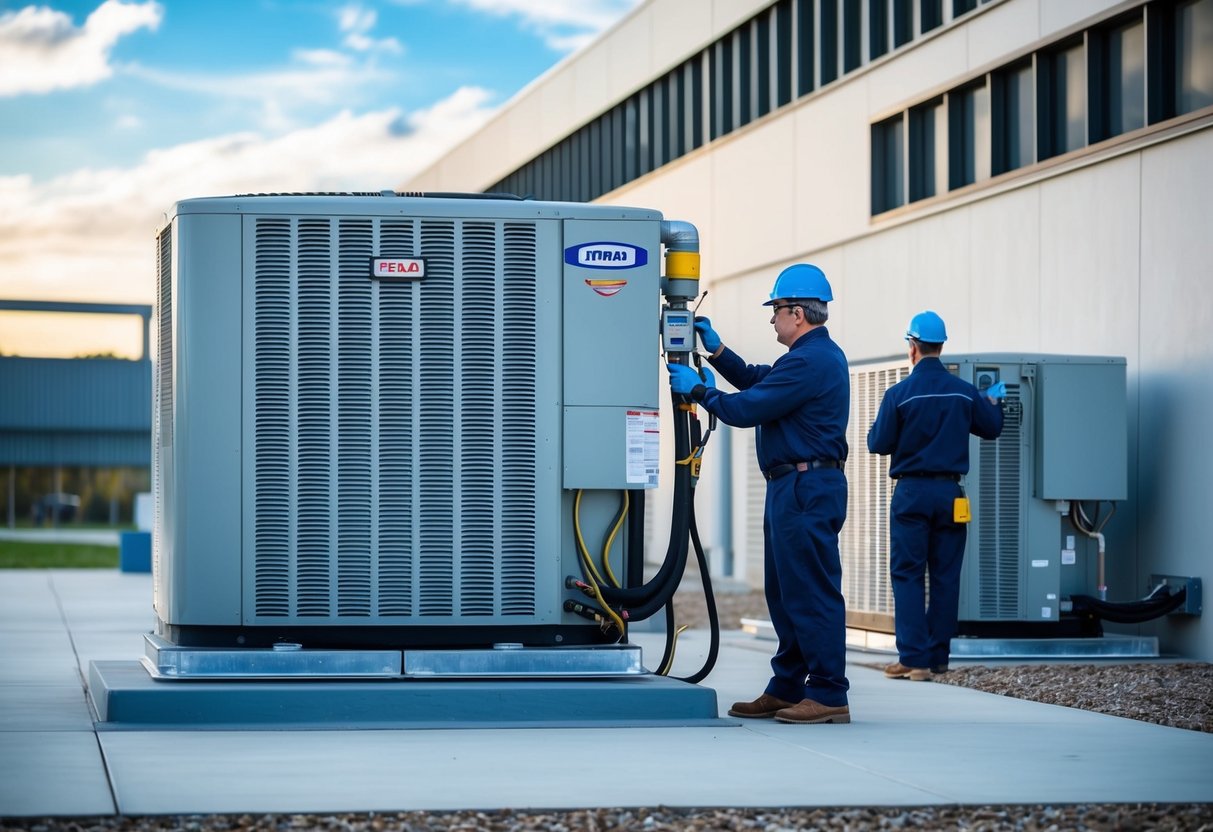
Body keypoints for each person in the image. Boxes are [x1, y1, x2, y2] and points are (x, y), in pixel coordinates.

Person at [666, 263, 851, 725]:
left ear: (796, 313)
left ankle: (829, 693)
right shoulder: (805, 359)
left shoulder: (812, 361)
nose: (772, 319)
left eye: (775, 311)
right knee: (786, 593)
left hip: (807, 487)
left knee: (810, 591)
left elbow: (749, 407)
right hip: (793, 486)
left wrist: (702, 393)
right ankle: (787, 686)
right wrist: (717, 350)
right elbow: (756, 379)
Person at [866, 311, 1005, 681]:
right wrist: (994, 399)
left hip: (911, 492)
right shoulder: (964, 392)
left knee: (908, 574)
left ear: (912, 346)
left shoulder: (898, 394)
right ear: (941, 346)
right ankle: (938, 658)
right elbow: (991, 429)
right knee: (946, 575)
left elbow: (877, 443)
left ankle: (913, 659)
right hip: (950, 494)